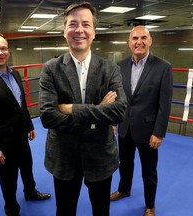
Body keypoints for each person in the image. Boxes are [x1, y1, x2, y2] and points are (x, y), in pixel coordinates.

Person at [38, 2, 127, 216]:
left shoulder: (110, 69)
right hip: (64, 156)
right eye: (72, 24)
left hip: (100, 156)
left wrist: (70, 109)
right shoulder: (51, 69)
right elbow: (48, 116)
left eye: (85, 24)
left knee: (101, 211)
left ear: (94, 32)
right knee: (65, 211)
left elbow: (119, 111)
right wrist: (98, 113)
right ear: (64, 31)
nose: (79, 30)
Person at [0, 32, 50, 216]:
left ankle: (30, 192)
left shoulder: (15, 73)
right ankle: (11, 208)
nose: (0, 52)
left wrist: (29, 125)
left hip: (21, 135)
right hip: (3, 142)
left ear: (9, 50)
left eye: (3, 48)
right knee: (8, 178)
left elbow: (20, 102)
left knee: (27, 168)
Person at [110, 26, 173, 216]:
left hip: (148, 131)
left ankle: (150, 205)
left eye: (143, 37)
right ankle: (124, 189)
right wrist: (114, 121)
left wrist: (159, 132)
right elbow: (116, 97)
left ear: (150, 40)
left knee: (149, 171)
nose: (139, 42)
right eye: (135, 38)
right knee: (125, 163)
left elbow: (165, 104)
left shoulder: (163, 67)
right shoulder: (120, 66)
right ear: (129, 42)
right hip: (125, 127)